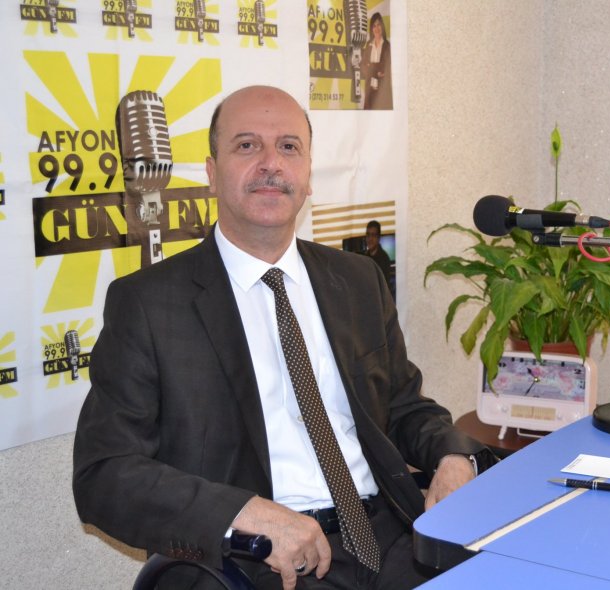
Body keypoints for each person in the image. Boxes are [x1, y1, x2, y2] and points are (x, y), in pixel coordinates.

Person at [73, 85, 494, 590]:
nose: (271, 163)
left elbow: (404, 407)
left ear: (308, 175)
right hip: (257, 562)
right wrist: (243, 513)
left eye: (289, 147)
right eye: (247, 145)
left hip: (388, 537)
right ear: (211, 173)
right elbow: (104, 473)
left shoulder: (357, 280)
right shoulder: (148, 304)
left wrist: (453, 456)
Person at [360, 13, 392, 110]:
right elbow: (363, 67)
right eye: (374, 26)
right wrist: (376, 71)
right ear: (371, 28)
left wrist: (370, 67)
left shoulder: (387, 46)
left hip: (382, 93)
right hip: (369, 93)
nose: (376, 28)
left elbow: (385, 68)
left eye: (378, 25)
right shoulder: (368, 45)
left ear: (382, 26)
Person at [363, 220, 393, 296]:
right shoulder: (365, 258)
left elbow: (384, 289)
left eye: (373, 235)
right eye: (368, 235)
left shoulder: (384, 259)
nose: (370, 239)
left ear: (379, 238)